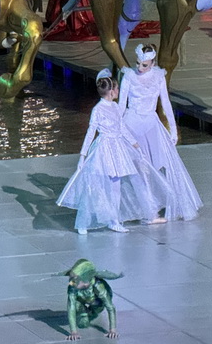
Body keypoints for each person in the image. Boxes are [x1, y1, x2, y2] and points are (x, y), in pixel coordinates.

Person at [56, 69, 169, 235]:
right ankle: (84, 222)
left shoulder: (115, 107)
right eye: (116, 89)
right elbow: (90, 133)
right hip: (104, 149)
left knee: (116, 187)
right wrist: (83, 155)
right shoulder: (98, 110)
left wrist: (136, 145)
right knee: (95, 185)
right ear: (110, 91)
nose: (118, 91)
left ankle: (114, 220)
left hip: (118, 149)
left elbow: (122, 128)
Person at [119, 44, 203, 221]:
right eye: (138, 63)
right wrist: (116, 127)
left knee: (155, 166)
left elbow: (165, 103)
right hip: (132, 124)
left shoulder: (158, 76)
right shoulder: (129, 76)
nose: (140, 68)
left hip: (150, 124)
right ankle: (149, 211)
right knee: (139, 168)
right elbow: (121, 105)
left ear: (152, 62)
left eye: (145, 65)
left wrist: (173, 129)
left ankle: (154, 206)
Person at [64, 259, 121, 340]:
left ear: (85, 280)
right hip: (82, 299)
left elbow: (110, 307)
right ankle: (85, 312)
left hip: (97, 301)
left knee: (92, 313)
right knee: (82, 323)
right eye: (71, 279)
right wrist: (74, 332)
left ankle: (92, 313)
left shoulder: (98, 286)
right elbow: (71, 308)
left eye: (75, 280)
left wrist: (112, 330)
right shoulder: (72, 287)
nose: (71, 283)